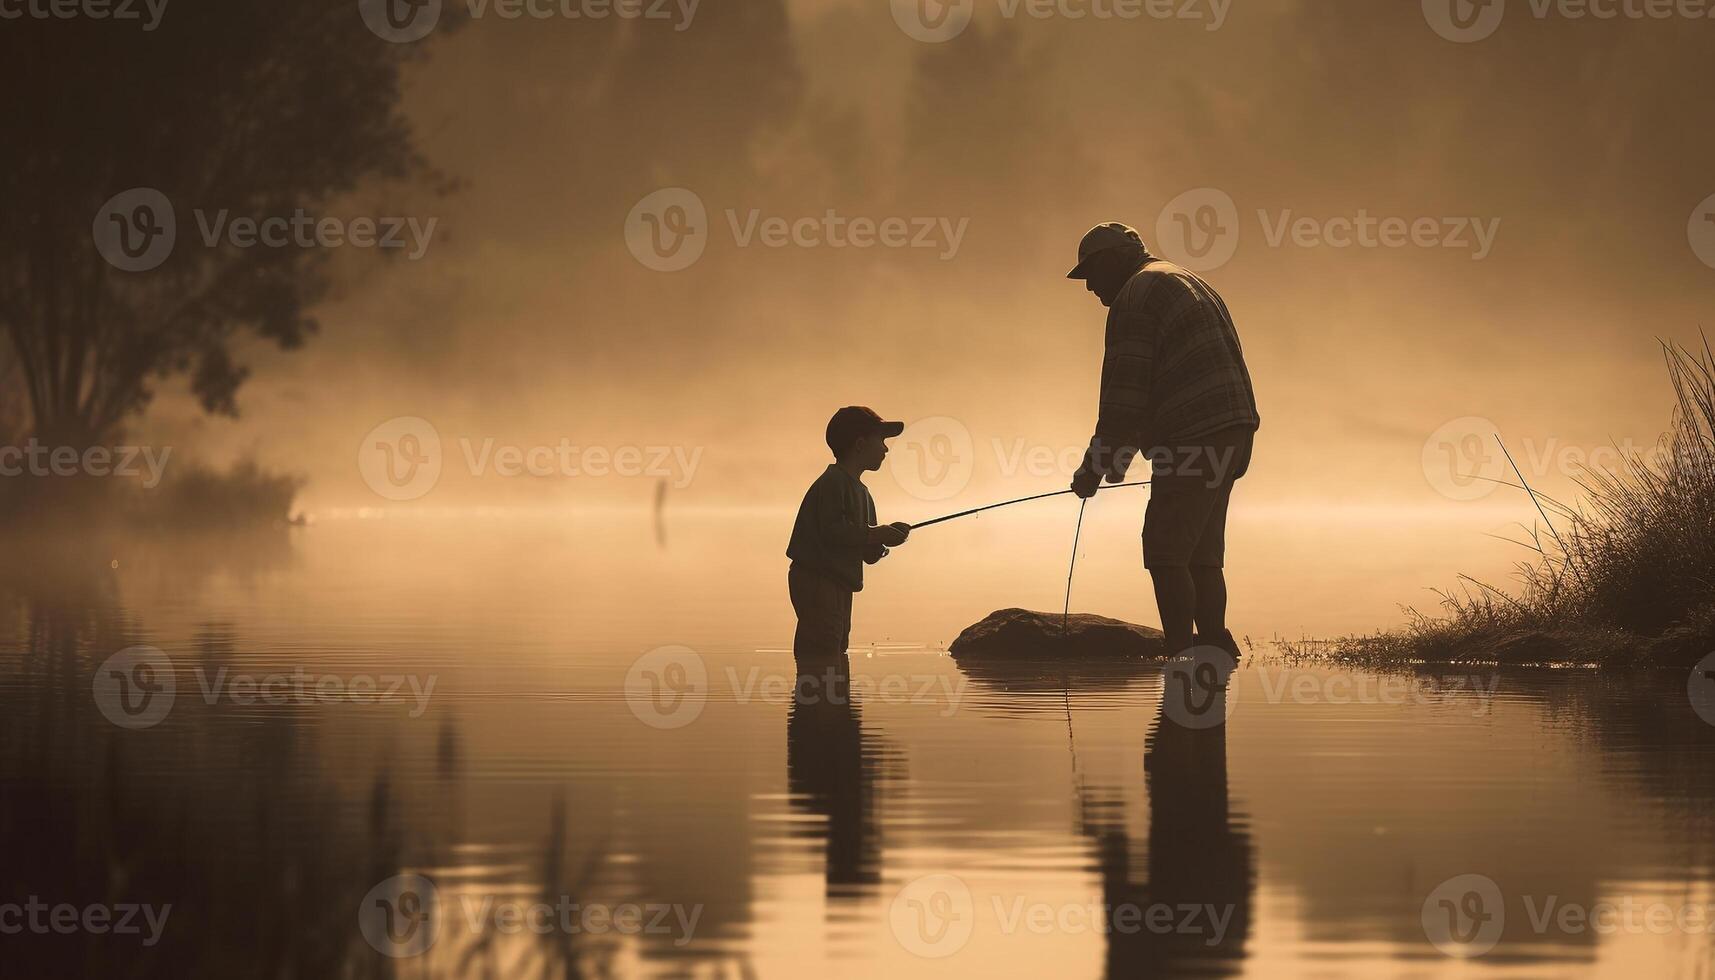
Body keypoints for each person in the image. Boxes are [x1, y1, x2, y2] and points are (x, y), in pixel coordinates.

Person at [1067, 222, 1260, 660]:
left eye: (1091, 274)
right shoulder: (1184, 277)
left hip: (1193, 435)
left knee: (1166, 550)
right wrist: (1113, 463)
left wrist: (1095, 468)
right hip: (1234, 428)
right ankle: (1213, 644)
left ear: (1113, 260)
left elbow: (1125, 395)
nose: (1090, 287)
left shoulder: (1134, 298)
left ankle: (1179, 654)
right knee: (1202, 553)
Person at [786, 406, 912, 663]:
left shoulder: (864, 494)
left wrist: (885, 541)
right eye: (882, 440)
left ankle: (831, 698)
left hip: (839, 583)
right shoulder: (832, 483)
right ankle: (815, 698)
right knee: (821, 647)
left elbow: (867, 552)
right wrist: (877, 535)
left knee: (836, 645)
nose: (886, 449)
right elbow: (833, 532)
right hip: (817, 580)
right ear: (860, 444)